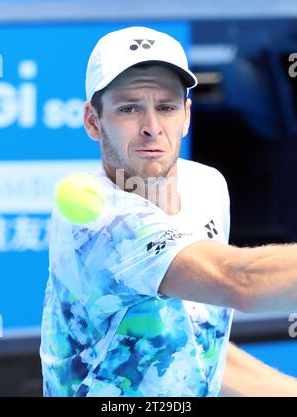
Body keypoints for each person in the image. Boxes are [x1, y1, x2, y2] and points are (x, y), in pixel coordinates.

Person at [40, 26, 297, 397]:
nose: (152, 128)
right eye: (129, 108)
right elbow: (241, 283)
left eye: (166, 107)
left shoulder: (207, 186)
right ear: (93, 121)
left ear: (187, 115)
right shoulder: (99, 223)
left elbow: (196, 343)